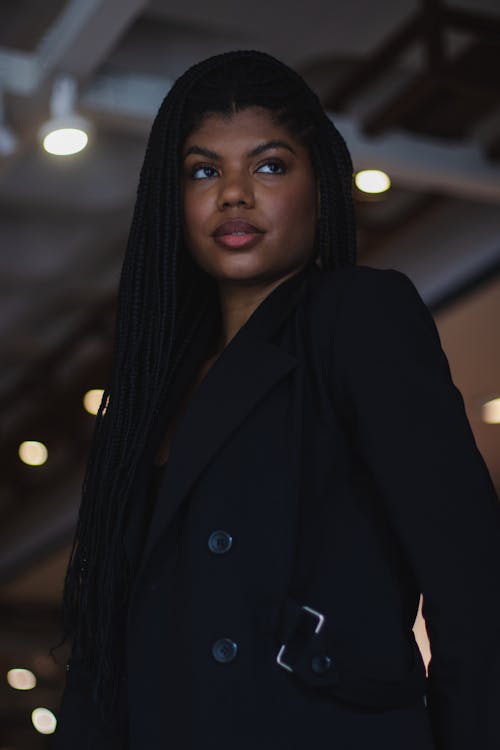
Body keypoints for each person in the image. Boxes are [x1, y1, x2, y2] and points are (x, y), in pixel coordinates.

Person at [53, 50, 500, 750]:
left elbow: (473, 584)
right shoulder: (149, 389)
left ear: (318, 184)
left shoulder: (356, 316)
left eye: (268, 166)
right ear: (174, 201)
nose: (234, 194)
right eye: (204, 171)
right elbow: (104, 654)